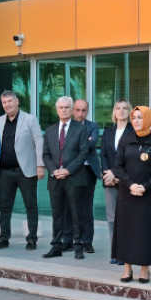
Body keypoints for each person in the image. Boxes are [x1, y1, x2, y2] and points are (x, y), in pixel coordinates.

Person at [111, 106, 151, 283]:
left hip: (149, 194)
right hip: (127, 193)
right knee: (126, 230)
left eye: (140, 117)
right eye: (134, 117)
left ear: (148, 119)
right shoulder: (126, 139)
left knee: (144, 231)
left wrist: (145, 186)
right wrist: (131, 184)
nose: (136, 120)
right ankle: (127, 268)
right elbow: (118, 166)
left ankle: (144, 269)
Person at [0, 90, 45, 251]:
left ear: (17, 102)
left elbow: (39, 142)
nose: (7, 104)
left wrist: (40, 165)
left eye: (10, 101)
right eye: (4, 102)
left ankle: (32, 239)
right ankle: (4, 238)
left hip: (26, 170)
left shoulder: (30, 119)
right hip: (5, 171)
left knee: (31, 205)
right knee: (5, 206)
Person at [42, 96, 89, 260]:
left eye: (67, 107)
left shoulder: (81, 129)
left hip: (73, 178)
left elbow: (83, 153)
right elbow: (46, 154)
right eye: (60, 107)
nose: (63, 110)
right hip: (55, 179)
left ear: (71, 109)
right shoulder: (50, 130)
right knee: (57, 214)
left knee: (76, 213)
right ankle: (56, 245)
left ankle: (78, 246)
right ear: (57, 110)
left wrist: (68, 170)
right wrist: (54, 171)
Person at [61, 99, 100, 253]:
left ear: (87, 111)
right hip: (70, 170)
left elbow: (92, 143)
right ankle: (68, 241)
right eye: (77, 110)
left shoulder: (93, 126)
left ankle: (87, 241)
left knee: (86, 207)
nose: (80, 114)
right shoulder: (66, 127)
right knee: (68, 206)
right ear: (72, 110)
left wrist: (75, 144)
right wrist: (83, 141)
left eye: (83, 110)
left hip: (87, 170)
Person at [100, 99, 133, 264]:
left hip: (126, 180)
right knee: (112, 218)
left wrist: (116, 174)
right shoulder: (107, 132)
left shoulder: (133, 132)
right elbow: (104, 155)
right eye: (118, 108)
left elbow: (131, 158)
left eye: (125, 108)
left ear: (130, 112)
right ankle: (115, 252)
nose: (121, 111)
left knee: (126, 217)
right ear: (114, 112)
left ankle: (125, 253)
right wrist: (108, 174)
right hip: (109, 180)